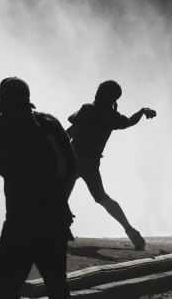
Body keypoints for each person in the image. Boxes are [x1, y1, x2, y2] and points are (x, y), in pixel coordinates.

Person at [0, 77, 76, 299]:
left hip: (21, 224)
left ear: (3, 101)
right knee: (57, 286)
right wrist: (61, 203)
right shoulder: (49, 121)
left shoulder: (3, 126)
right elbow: (72, 169)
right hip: (49, 221)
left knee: (7, 290)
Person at [66, 80, 157, 250]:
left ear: (104, 95)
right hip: (90, 163)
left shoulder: (88, 109)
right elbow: (130, 121)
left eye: (100, 91)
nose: (97, 93)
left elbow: (71, 126)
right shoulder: (112, 117)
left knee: (57, 194)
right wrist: (143, 110)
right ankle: (131, 231)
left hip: (73, 160)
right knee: (101, 198)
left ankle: (53, 229)